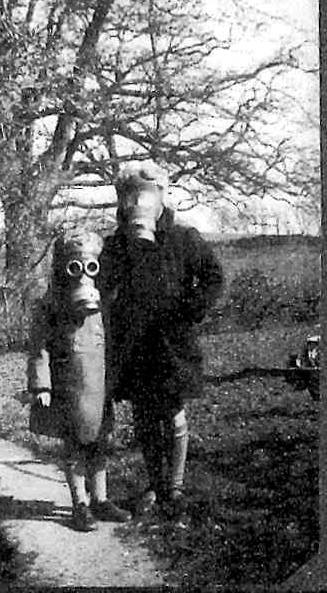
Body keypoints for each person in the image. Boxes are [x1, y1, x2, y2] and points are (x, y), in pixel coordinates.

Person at [99, 164, 223, 518]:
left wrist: (192, 307)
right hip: (134, 344)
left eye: (145, 194)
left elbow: (213, 277)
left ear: (161, 197)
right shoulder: (115, 247)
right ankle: (155, 484)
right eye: (130, 196)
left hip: (172, 341)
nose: (138, 203)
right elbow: (100, 288)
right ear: (122, 203)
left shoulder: (185, 240)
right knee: (144, 415)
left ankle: (176, 487)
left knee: (172, 411)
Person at [27, 230, 131, 531]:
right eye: (75, 267)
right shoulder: (50, 305)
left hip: (99, 385)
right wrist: (41, 385)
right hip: (68, 384)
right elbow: (39, 347)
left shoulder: (105, 303)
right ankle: (80, 505)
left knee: (100, 443)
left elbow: (114, 342)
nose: (83, 276)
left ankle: (100, 499)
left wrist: (119, 379)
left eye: (90, 266)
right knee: (74, 446)